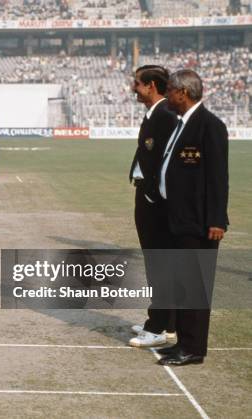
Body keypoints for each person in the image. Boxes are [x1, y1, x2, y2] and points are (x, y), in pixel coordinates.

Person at [156, 69, 229, 366]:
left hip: (199, 222)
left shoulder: (209, 126)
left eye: (170, 90)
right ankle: (184, 343)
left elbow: (217, 178)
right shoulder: (180, 123)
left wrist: (216, 220)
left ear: (183, 93)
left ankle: (194, 349)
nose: (167, 95)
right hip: (178, 219)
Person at [127, 65, 178, 348]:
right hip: (148, 197)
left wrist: (153, 195)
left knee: (159, 264)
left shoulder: (166, 116)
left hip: (155, 201)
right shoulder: (156, 114)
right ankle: (166, 323)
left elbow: (170, 161)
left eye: (138, 83)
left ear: (151, 86)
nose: (134, 88)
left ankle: (157, 326)